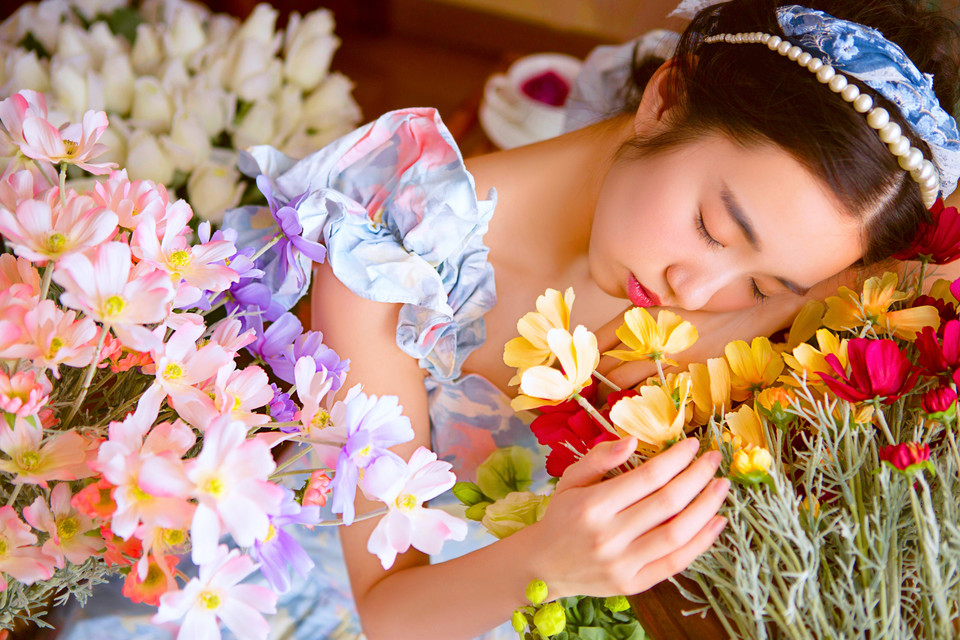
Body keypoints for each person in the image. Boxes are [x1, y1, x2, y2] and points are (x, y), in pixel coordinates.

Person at [60, 1, 960, 639]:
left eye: (764, 285)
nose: (701, 288)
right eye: (714, 227)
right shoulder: (387, 246)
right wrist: (550, 563)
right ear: (664, 98)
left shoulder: (693, 284)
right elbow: (381, 612)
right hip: (258, 596)